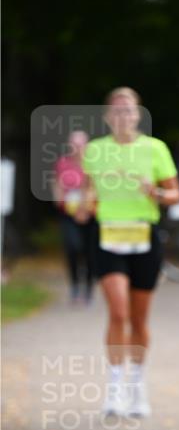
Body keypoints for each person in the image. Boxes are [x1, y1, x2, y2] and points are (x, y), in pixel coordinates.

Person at [82, 87, 179, 418]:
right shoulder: (95, 150)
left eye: (129, 110)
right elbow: (87, 197)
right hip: (108, 235)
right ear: (107, 116)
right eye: (117, 110)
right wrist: (83, 205)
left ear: (138, 115)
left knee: (139, 318)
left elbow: (175, 195)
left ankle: (137, 385)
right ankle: (114, 388)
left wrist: (156, 193)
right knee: (118, 312)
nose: (123, 115)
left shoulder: (155, 148)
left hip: (144, 235)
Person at [54, 130, 96, 303]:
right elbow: (57, 184)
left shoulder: (93, 164)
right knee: (72, 248)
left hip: (90, 214)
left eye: (80, 144)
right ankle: (75, 285)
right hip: (69, 213)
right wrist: (60, 201)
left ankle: (89, 288)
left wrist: (85, 209)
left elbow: (96, 188)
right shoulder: (63, 163)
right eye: (73, 144)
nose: (76, 148)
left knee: (90, 252)